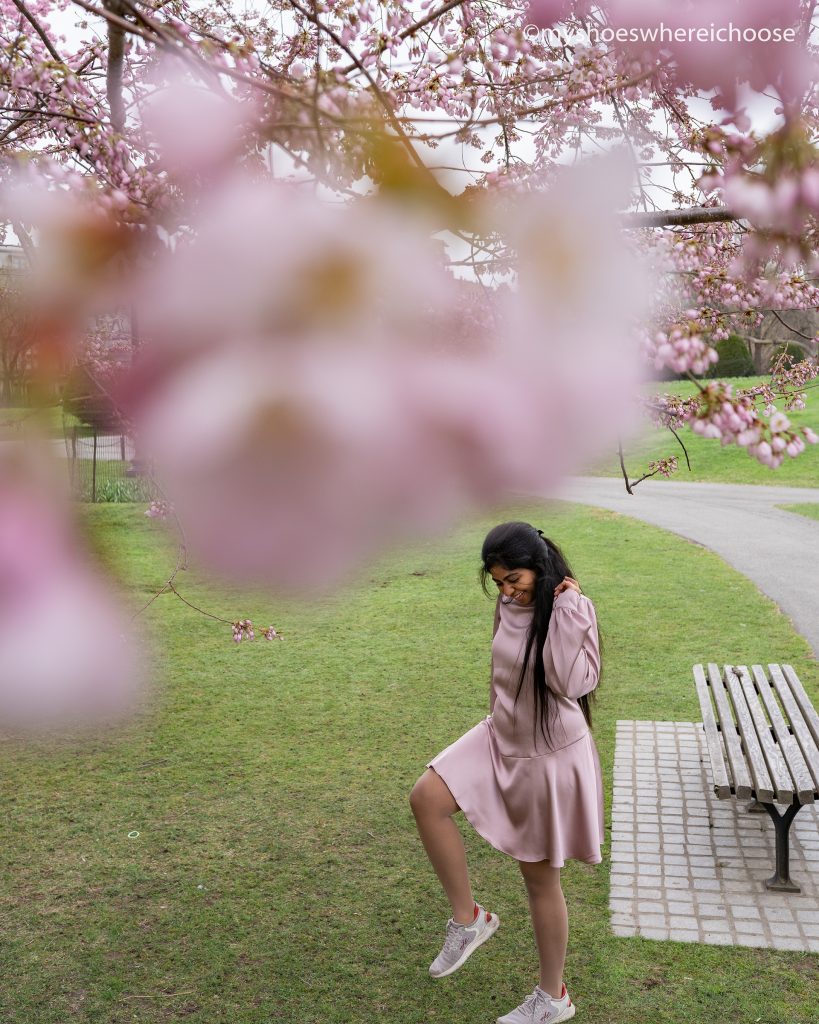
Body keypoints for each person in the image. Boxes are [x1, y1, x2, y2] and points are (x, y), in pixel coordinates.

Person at [409, 521, 604, 1024]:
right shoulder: (510, 603)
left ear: (539, 567)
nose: (507, 589)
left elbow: (568, 682)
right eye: (497, 582)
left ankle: (552, 997)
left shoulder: (570, 608)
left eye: (513, 578)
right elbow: (500, 668)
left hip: (550, 754)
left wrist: (569, 611)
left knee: (539, 880)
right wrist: (495, 722)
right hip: (502, 733)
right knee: (426, 798)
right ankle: (469, 920)